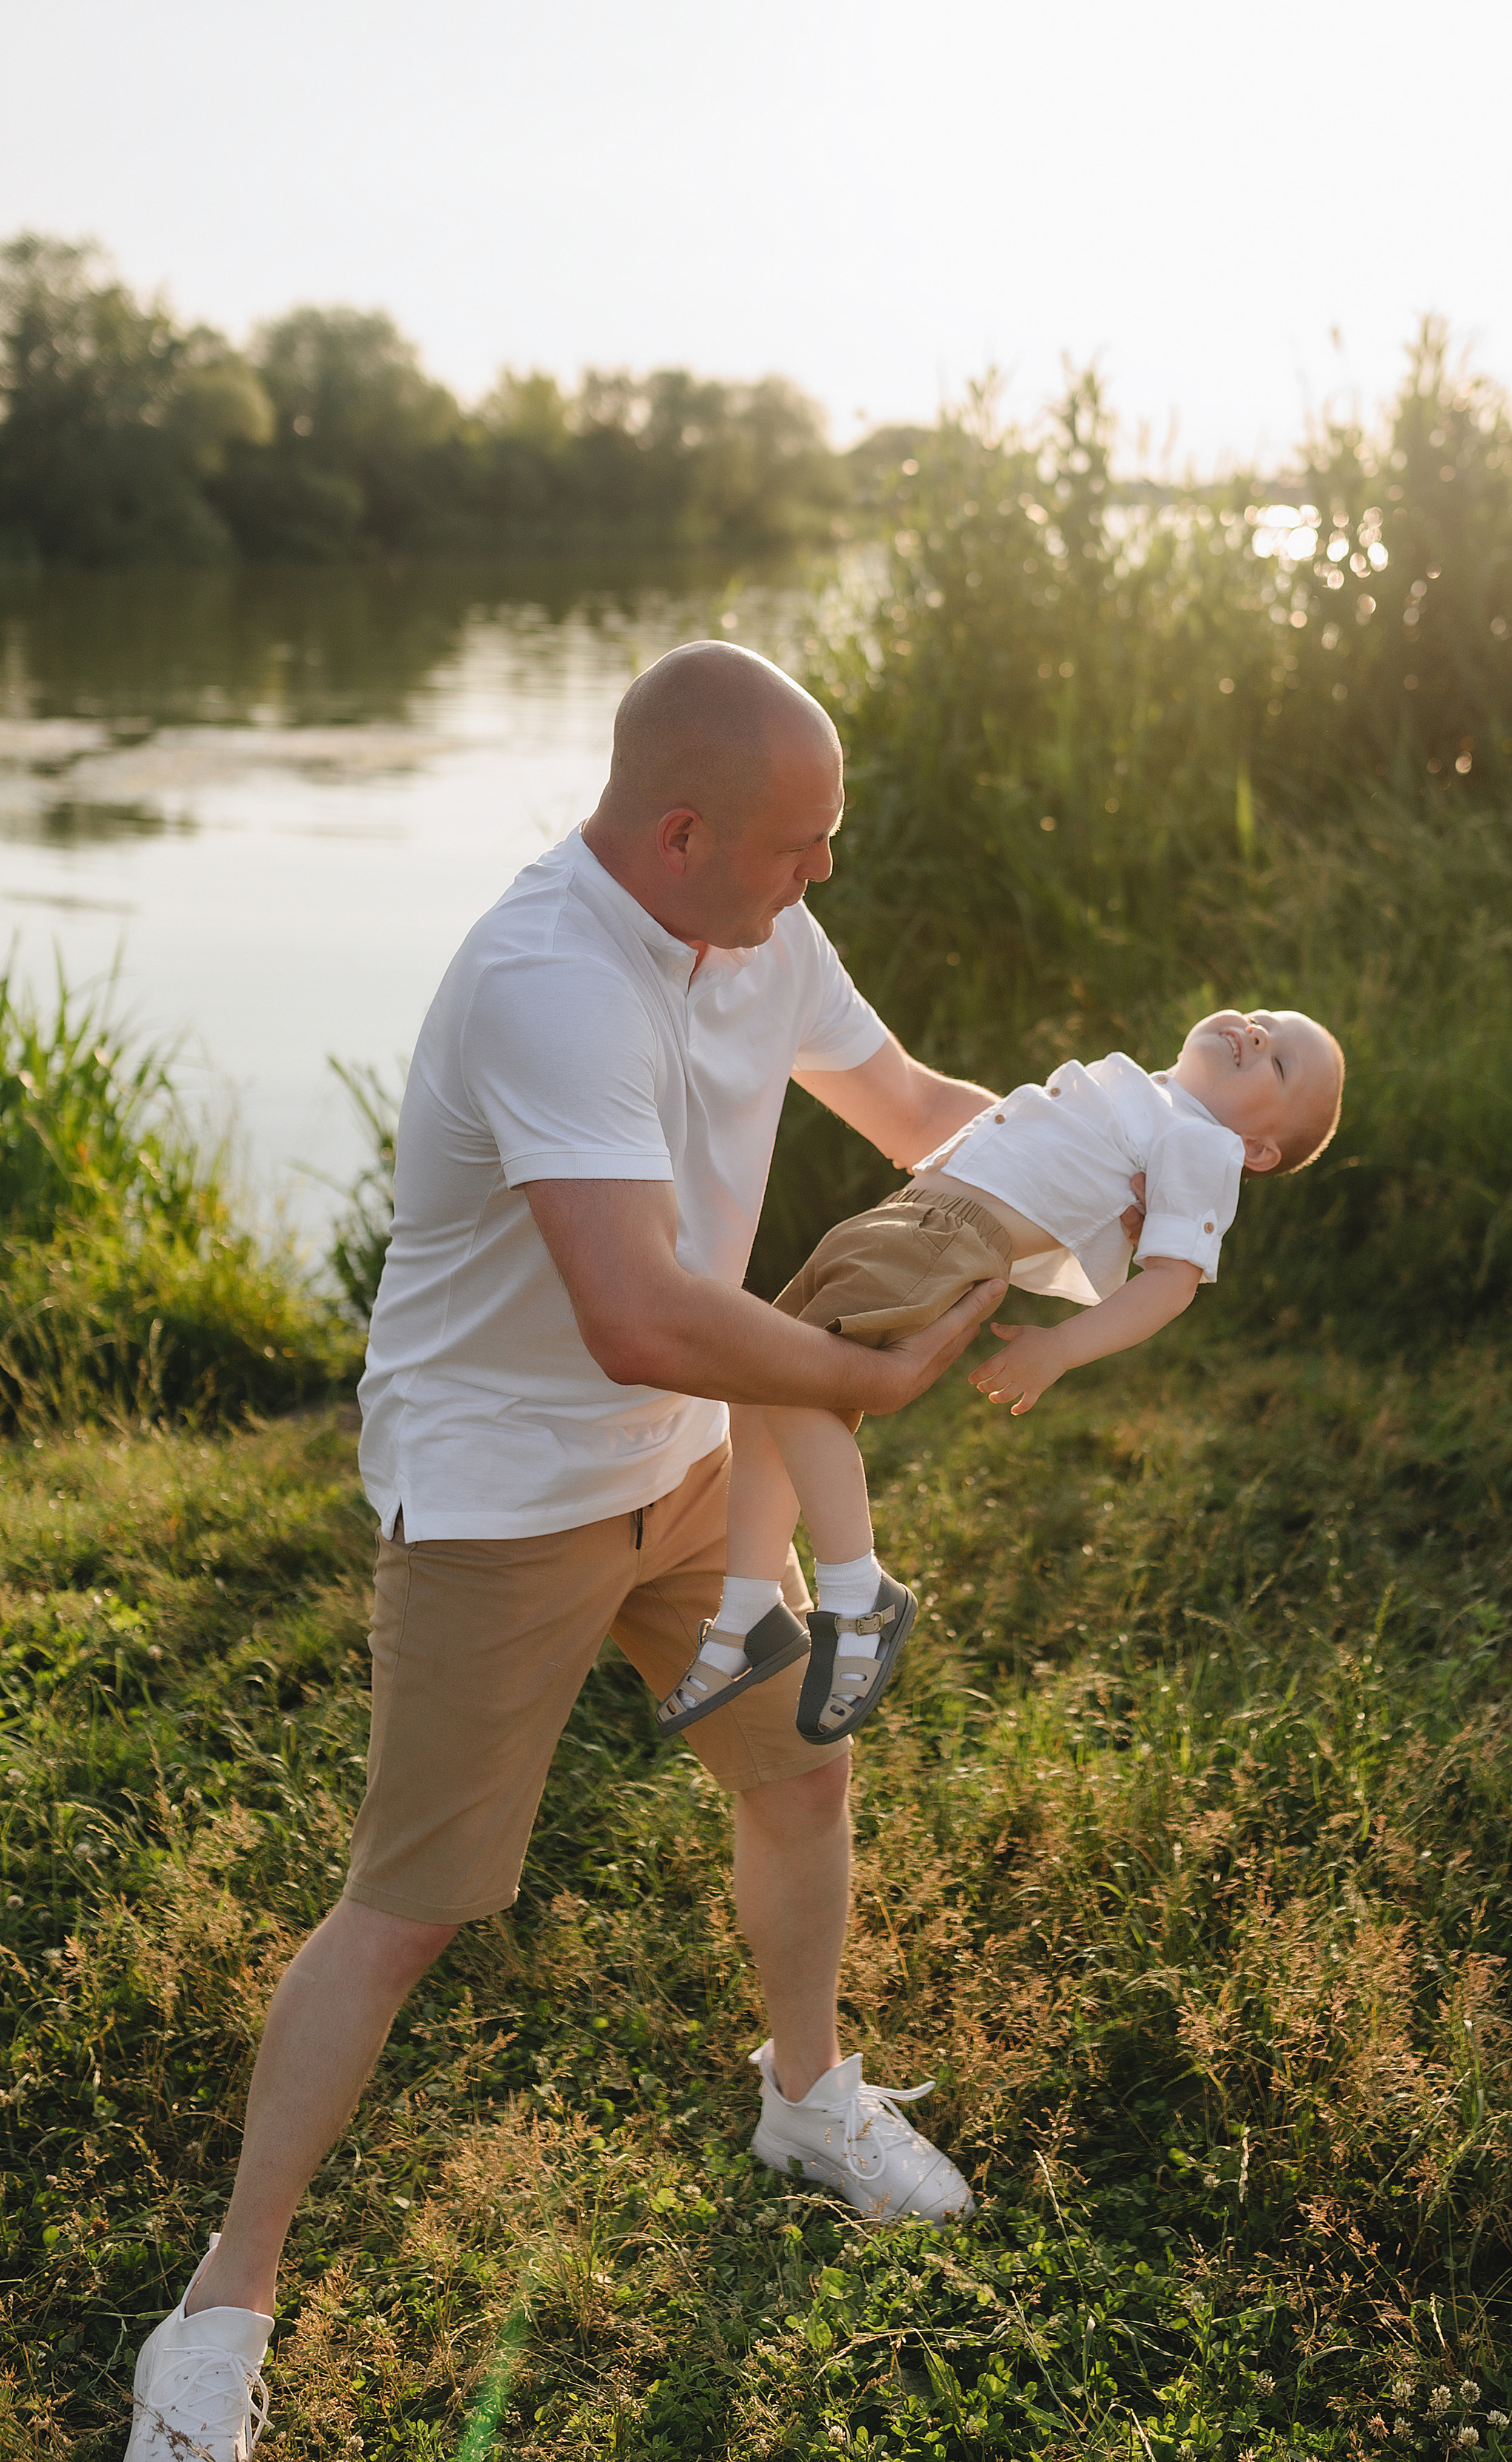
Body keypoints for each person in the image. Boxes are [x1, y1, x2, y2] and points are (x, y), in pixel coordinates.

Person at [122, 642, 1083, 2462]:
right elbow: (637, 1311)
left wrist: (1131, 1160)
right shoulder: (547, 975)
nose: (824, 874)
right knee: (407, 1913)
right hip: (502, 1493)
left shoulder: (755, 926)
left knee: (801, 1772)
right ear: (677, 830)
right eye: (801, 843)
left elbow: (910, 1111)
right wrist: (866, 1372)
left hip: (688, 1469)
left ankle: (804, 2097)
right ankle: (219, 2308)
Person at [658, 1008, 1344, 1745]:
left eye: (1279, 1063)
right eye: (1262, 1019)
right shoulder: (1146, 1093)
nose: (1257, 1034)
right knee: (758, 1392)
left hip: (947, 1237)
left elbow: (1172, 1280)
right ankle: (750, 1610)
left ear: (1256, 1152)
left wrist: (1060, 1347)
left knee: (791, 1383)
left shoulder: (1200, 1140)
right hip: (901, 1217)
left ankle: (859, 1596)